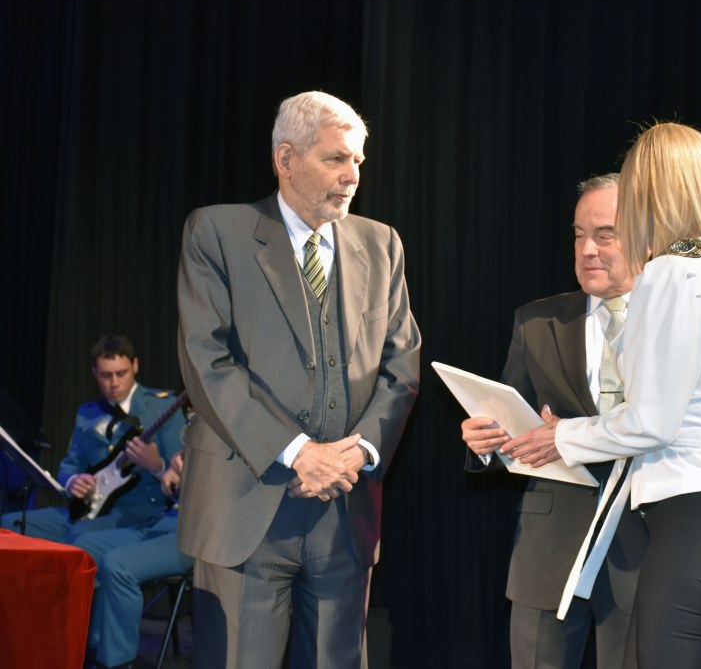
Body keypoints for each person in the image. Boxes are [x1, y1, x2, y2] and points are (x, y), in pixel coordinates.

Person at [503, 122, 701, 669]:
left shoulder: (669, 272)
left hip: (692, 513)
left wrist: (562, 435)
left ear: (656, 189)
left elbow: (651, 422)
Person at [176, 90, 421, 669]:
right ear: (286, 159)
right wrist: (297, 452)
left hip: (344, 511)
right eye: (336, 159)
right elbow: (205, 361)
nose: (352, 176)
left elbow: (402, 363)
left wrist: (357, 452)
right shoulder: (218, 233)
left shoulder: (381, 243)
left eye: (358, 161)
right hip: (247, 511)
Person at [460, 173, 647, 669]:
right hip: (549, 553)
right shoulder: (538, 321)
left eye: (605, 234)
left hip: (645, 551)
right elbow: (513, 421)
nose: (587, 249)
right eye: (579, 235)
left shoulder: (674, 321)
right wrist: (486, 442)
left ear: (646, 238)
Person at [0, 334, 187, 669]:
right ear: (94, 373)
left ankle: (83, 642)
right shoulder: (88, 412)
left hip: (138, 515)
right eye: (105, 375)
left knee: (83, 542)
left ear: (135, 367)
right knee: (9, 528)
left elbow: (181, 480)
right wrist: (73, 480)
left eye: (121, 374)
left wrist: (156, 466)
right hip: (86, 507)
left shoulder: (162, 406)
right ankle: (20, 634)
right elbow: (70, 464)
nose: (113, 383)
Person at [91, 450, 193, 669]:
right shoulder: (196, 424)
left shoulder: (235, 425)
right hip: (160, 519)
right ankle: (88, 648)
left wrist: (190, 479)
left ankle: (117, 663)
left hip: (193, 533)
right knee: (81, 549)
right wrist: (170, 471)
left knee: (117, 566)